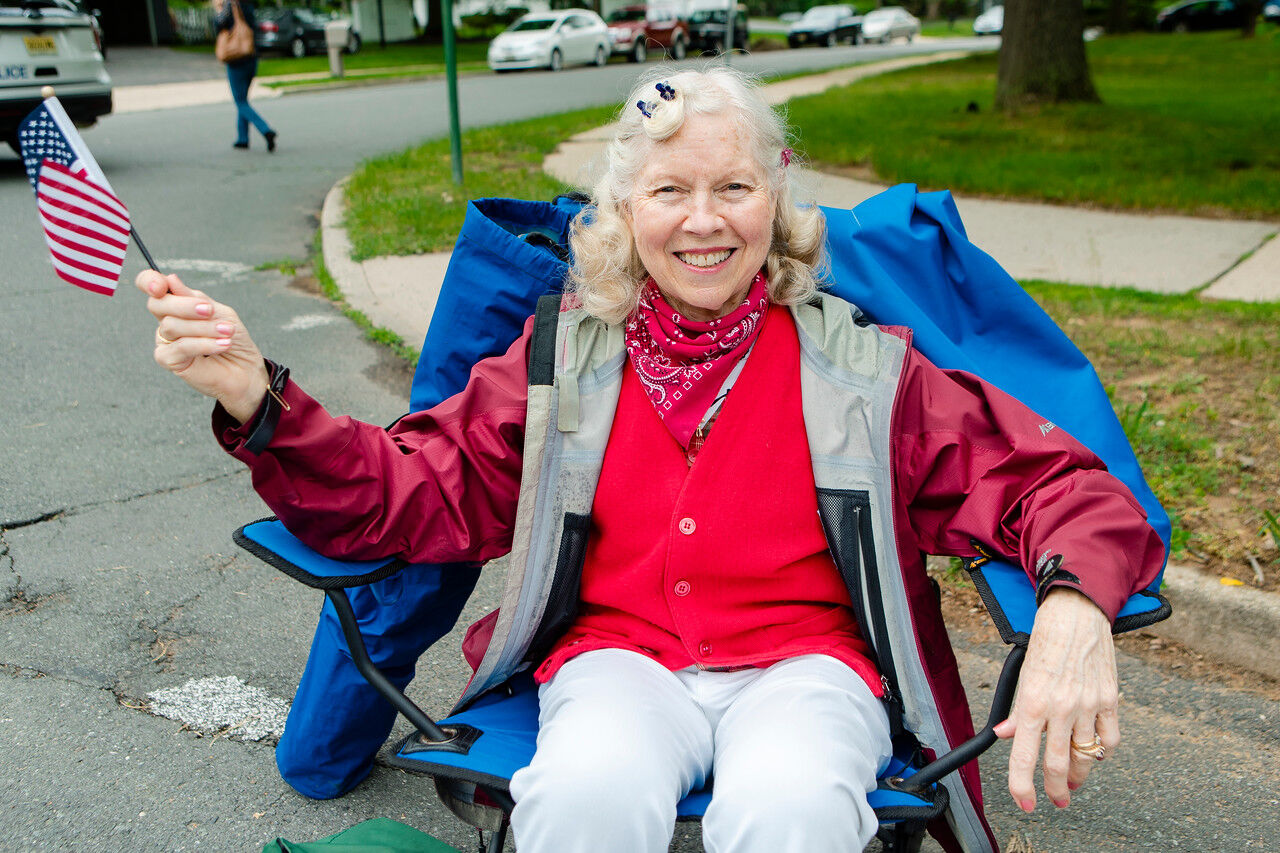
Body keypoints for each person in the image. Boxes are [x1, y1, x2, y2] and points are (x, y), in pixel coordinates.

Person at [137, 67, 1165, 852]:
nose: (705, 219)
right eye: (669, 189)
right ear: (624, 214)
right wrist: (255, 396)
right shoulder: (556, 360)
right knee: (581, 791)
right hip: (616, 666)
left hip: (809, 669)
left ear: (775, 202)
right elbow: (407, 493)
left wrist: (1072, 608)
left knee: (796, 802)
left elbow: (1057, 485)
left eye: (733, 186)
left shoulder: (862, 368)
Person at [215, 0, 277, 152]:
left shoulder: (230, 5)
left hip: (236, 59)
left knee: (240, 101)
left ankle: (265, 130)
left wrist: (219, 8)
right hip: (251, 58)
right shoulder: (248, 4)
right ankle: (243, 138)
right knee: (243, 100)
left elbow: (218, 24)